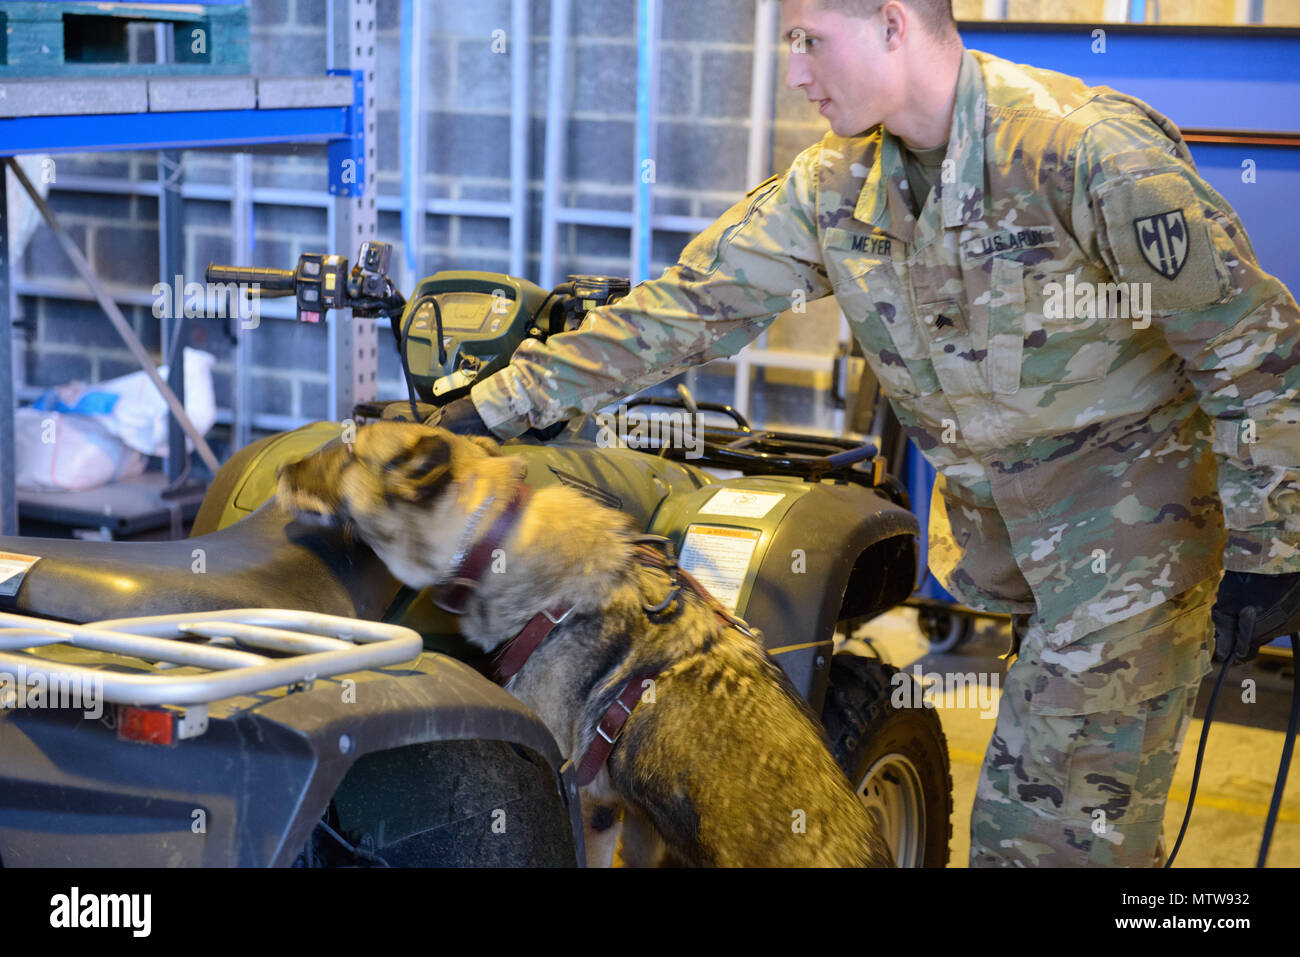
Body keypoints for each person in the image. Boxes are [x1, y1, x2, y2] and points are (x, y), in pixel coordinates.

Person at [434, 0, 1300, 866]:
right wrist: (500, 403)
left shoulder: (1083, 154)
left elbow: (1254, 347)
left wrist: (1271, 548)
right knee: (1090, 821)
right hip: (1021, 552)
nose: (796, 72)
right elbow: (689, 305)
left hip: (1136, 547)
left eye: (811, 42)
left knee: (1044, 837)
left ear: (893, 23)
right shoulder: (838, 181)